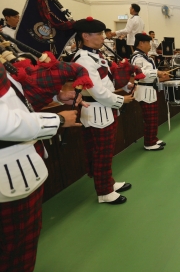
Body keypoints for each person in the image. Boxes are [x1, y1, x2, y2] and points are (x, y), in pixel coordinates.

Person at [0, 62, 81, 272]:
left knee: (24, 243)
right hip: (8, 172)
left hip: (22, 165)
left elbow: (17, 102)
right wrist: (58, 120)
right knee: (15, 249)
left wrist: (56, 98)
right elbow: (4, 122)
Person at [73, 17, 134, 204]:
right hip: (96, 111)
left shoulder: (94, 55)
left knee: (107, 152)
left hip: (105, 110)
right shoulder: (83, 59)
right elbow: (96, 91)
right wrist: (120, 100)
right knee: (101, 153)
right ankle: (104, 192)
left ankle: (108, 182)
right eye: (98, 34)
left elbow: (106, 83)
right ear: (85, 36)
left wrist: (124, 85)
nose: (102, 37)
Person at [131, 33, 168, 151]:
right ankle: (149, 142)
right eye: (148, 43)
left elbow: (149, 72)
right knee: (149, 119)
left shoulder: (145, 57)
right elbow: (140, 74)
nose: (150, 46)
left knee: (153, 118)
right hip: (144, 90)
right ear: (141, 43)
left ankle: (153, 138)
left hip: (150, 89)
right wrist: (157, 73)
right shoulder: (137, 58)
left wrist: (159, 74)